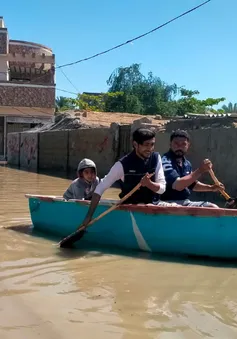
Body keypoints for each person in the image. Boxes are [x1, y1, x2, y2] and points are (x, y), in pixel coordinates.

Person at [79, 128, 176, 229]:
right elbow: (99, 189)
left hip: (154, 204)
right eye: (146, 145)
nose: (150, 149)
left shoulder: (156, 158)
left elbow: (162, 188)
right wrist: (88, 216)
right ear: (135, 144)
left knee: (176, 206)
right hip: (132, 207)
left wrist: (149, 184)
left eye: (152, 144)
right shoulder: (122, 165)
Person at [161, 129, 224, 208]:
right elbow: (178, 186)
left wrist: (211, 188)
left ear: (188, 145)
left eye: (183, 144)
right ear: (170, 144)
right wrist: (200, 170)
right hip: (167, 202)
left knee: (212, 208)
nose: (179, 147)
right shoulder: (165, 161)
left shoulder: (186, 163)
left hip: (184, 201)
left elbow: (191, 184)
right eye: (176, 144)